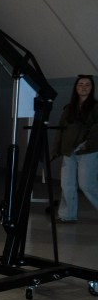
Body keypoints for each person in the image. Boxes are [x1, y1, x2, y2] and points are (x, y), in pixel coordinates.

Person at [53, 75, 98, 223]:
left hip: (87, 150)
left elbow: (96, 129)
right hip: (68, 150)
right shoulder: (69, 108)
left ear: (92, 88)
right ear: (76, 87)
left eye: (87, 85)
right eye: (80, 84)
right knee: (66, 184)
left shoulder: (96, 107)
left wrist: (87, 144)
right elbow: (61, 129)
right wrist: (57, 148)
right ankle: (67, 215)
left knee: (87, 184)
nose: (84, 87)